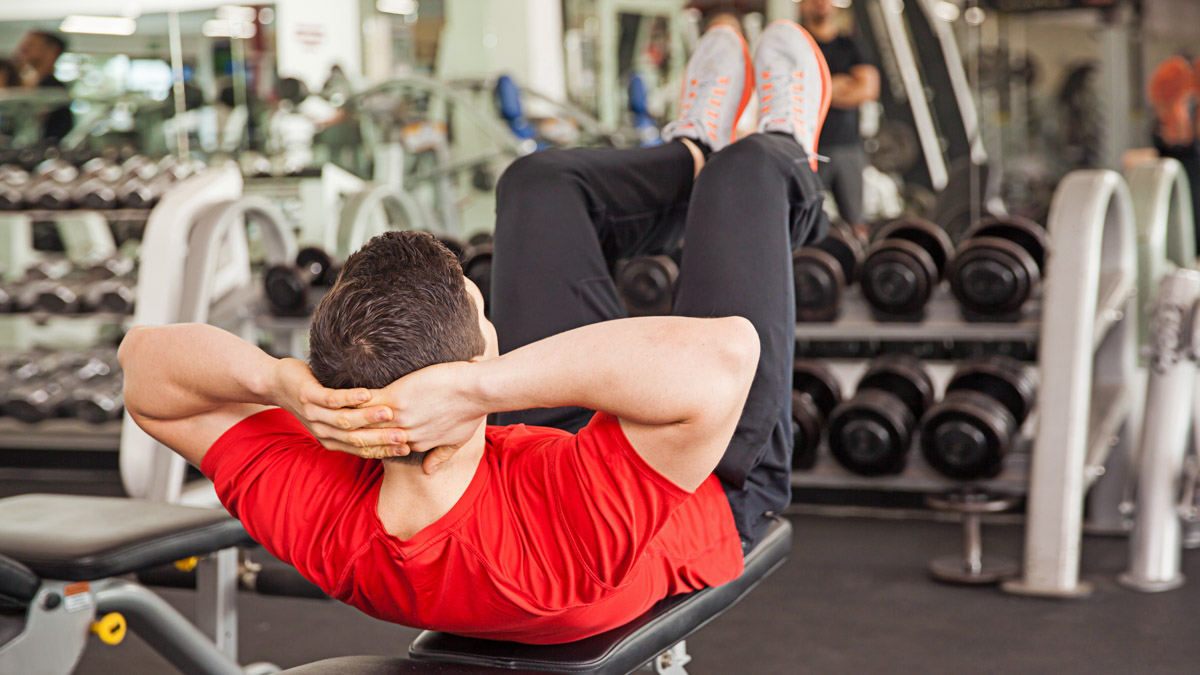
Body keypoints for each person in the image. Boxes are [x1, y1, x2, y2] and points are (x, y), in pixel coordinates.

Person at [120, 20, 831, 645]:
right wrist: (480, 386)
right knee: (748, 178)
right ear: (468, 372)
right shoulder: (555, 547)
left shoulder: (322, 508)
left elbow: (143, 370)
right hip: (704, 474)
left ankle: (691, 152)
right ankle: (784, 149)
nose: (493, 318)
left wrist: (279, 381)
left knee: (537, 185)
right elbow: (728, 353)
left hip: (529, 451)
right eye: (483, 314)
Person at [801, 0, 879, 240]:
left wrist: (818, 87)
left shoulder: (851, 46)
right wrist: (840, 83)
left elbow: (868, 89)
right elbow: (795, 90)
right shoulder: (800, 47)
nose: (821, 5)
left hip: (848, 147)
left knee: (856, 222)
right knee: (801, 217)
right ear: (804, 5)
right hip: (809, 147)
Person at [12, 30, 72, 142]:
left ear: (51, 52)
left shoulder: (53, 92)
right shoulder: (26, 86)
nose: (22, 49)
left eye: (31, 45)